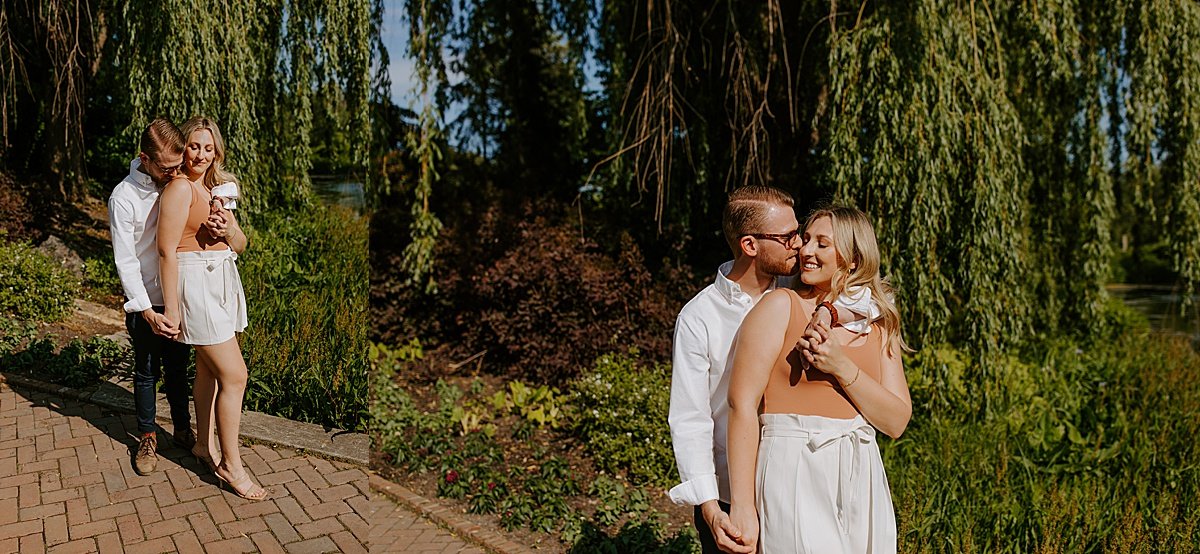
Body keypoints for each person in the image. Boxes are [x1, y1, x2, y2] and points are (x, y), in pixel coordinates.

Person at [667, 188, 877, 554]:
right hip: (733, 496)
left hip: (796, 483)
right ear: (750, 245)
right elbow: (691, 421)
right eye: (788, 237)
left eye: (800, 233)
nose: (800, 246)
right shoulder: (699, 318)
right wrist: (712, 510)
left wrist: (830, 312)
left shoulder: (801, 291)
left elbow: (868, 298)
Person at [726, 205, 912, 553]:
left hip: (861, 469)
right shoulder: (780, 306)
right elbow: (741, 406)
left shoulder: (879, 322)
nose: (806, 251)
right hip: (793, 465)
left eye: (822, 244)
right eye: (806, 239)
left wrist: (841, 366)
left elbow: (896, 421)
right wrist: (743, 506)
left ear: (854, 259)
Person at [157, 115, 268, 500]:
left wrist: (229, 231)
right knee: (236, 376)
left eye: (208, 147)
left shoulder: (217, 189)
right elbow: (165, 251)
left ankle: (204, 444)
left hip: (222, 280)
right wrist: (171, 309)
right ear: (182, 148)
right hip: (197, 286)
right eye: (193, 146)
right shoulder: (180, 189)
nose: (200, 154)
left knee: (209, 371)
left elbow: (241, 245)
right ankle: (230, 463)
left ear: (216, 150)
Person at [108, 118, 196, 475]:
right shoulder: (123, 197)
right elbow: (125, 260)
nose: (175, 173)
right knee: (146, 373)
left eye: (179, 165)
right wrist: (145, 310)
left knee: (178, 369)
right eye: (167, 167)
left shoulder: (176, 182)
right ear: (145, 158)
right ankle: (146, 437)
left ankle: (182, 428)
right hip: (146, 301)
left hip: (177, 295)